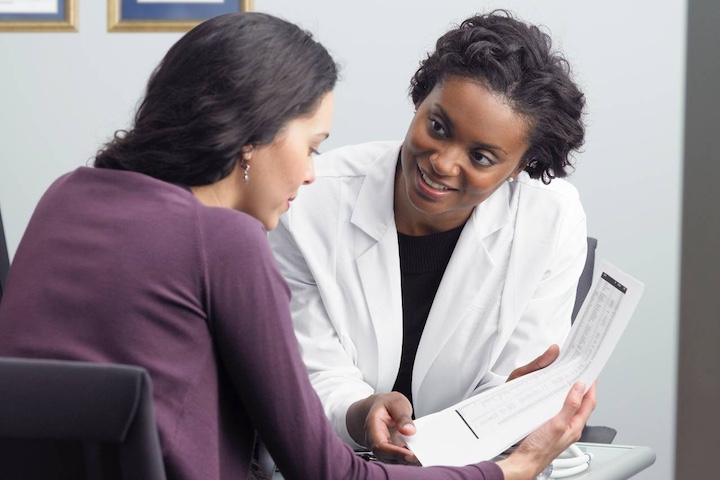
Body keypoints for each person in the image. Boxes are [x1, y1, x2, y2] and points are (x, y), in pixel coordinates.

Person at [0, 11, 594, 480]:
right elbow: (325, 463)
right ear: (253, 140)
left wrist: (506, 426)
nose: (313, 172)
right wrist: (505, 473)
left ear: (521, 169)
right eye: (311, 146)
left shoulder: (67, 193)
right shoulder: (234, 238)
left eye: (482, 157)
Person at [268, 9, 589, 464]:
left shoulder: (551, 219)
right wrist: (361, 413)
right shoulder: (310, 197)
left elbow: (512, 386)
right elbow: (308, 368)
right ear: (421, 99)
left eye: (480, 157)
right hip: (336, 461)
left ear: (520, 168)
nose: (442, 162)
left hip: (479, 467)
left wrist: (519, 407)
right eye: (438, 128)